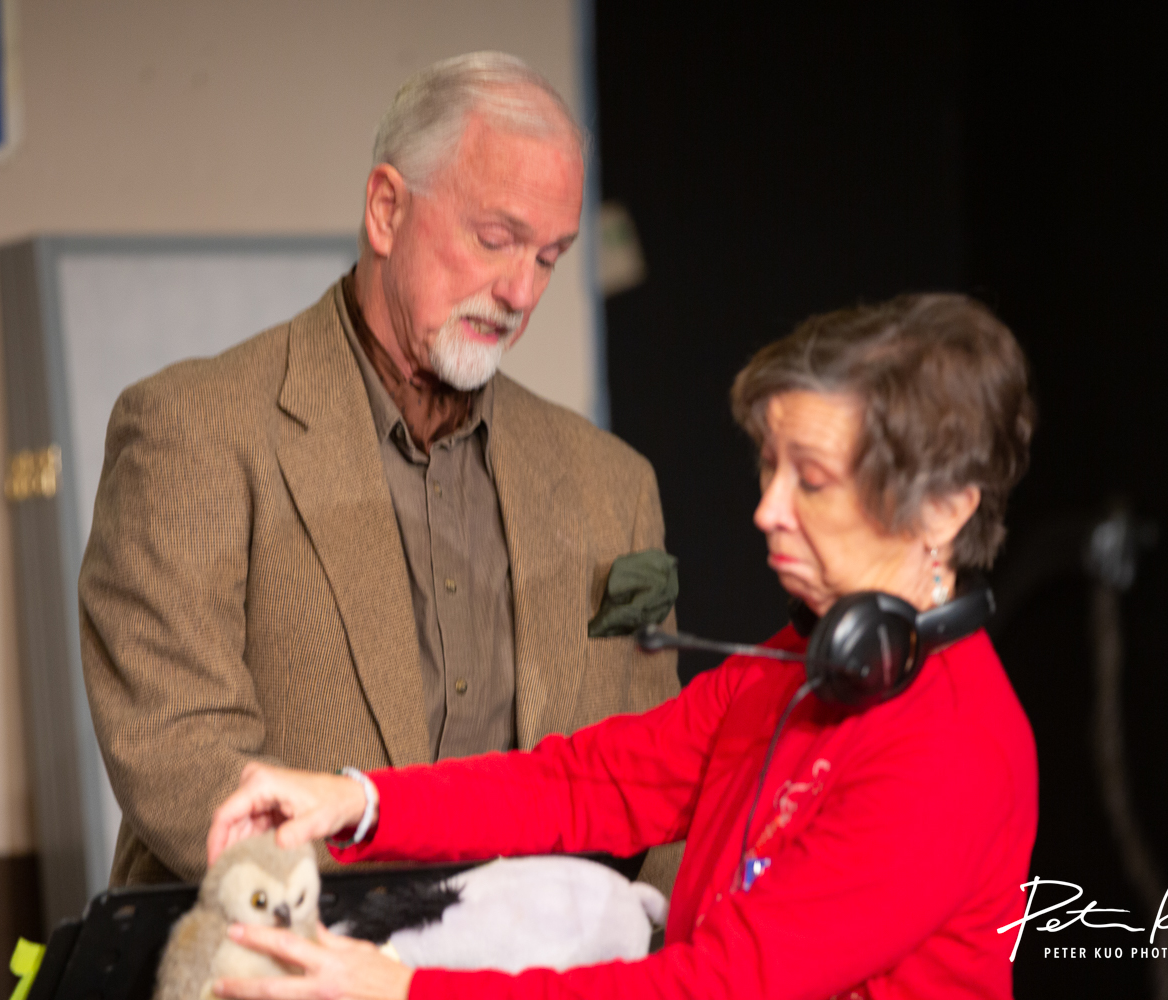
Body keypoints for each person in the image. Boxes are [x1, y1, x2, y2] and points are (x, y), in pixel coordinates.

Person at [202, 293, 1041, 999]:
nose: (767, 509)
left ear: (943, 511)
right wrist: (356, 802)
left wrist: (406, 990)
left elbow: (716, 987)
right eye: (769, 467)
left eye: (811, 480)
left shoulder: (952, 749)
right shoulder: (794, 666)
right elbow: (586, 783)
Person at [79, 52, 680, 888]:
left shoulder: (614, 485)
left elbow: (656, 776)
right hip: (284, 944)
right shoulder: (195, 432)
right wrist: (391, 940)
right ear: (387, 210)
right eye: (496, 239)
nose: (521, 292)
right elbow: (185, 758)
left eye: (549, 257)